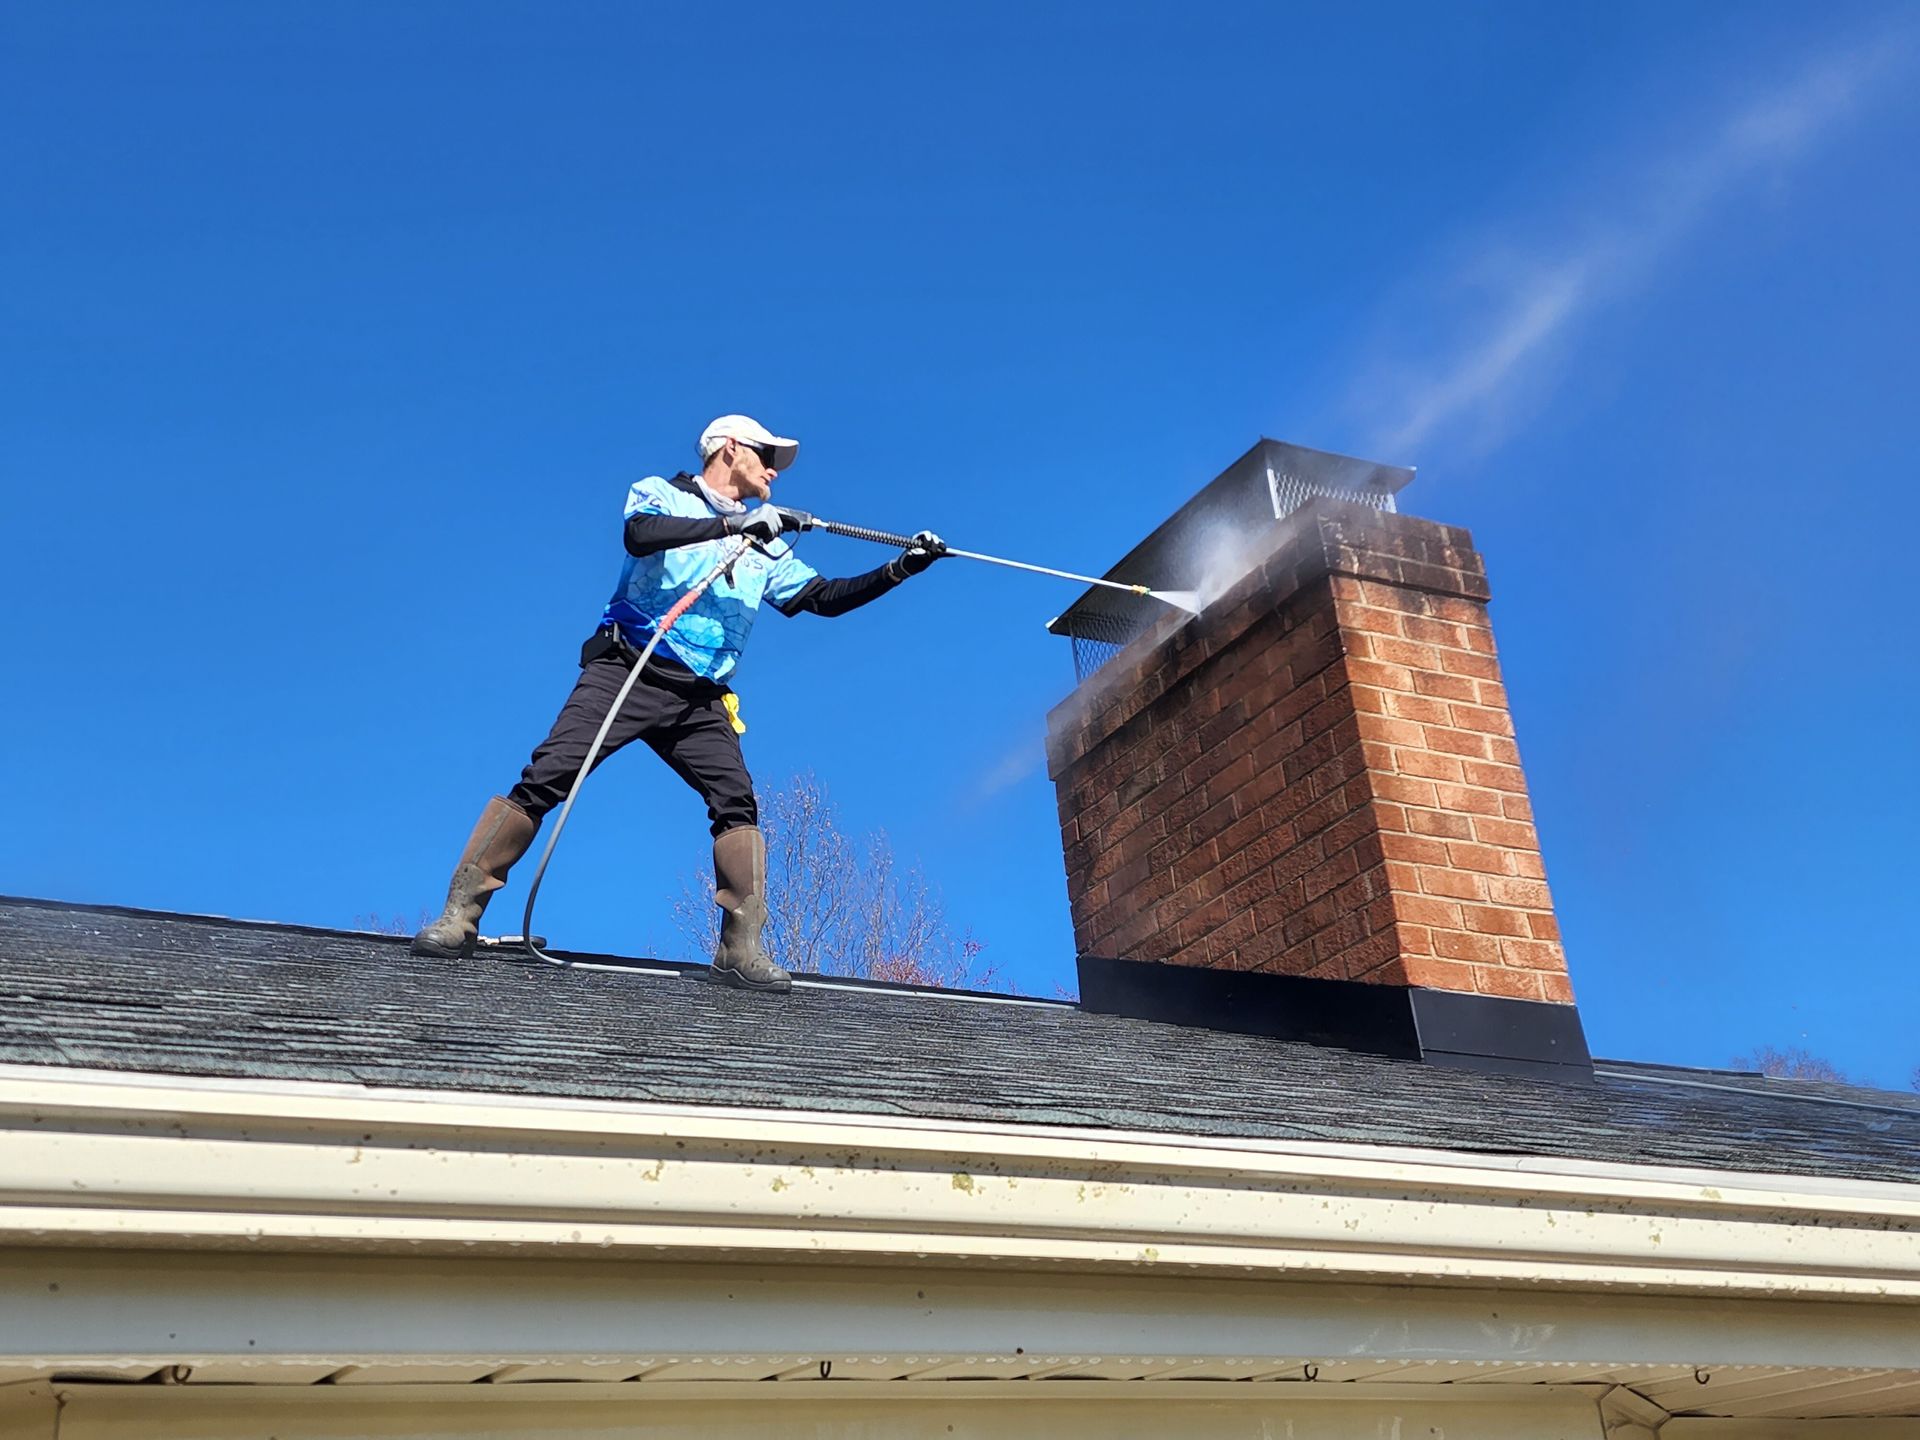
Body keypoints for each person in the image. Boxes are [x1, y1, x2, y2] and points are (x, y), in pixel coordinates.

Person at [410, 414, 945, 993]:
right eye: (765, 454)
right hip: (627, 671)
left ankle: (740, 949)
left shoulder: (768, 544)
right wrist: (735, 525)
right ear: (729, 448)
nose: (773, 469)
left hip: (701, 700)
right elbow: (640, 535)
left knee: (736, 801)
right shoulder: (662, 493)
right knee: (548, 776)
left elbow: (822, 598)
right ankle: (458, 917)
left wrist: (901, 568)